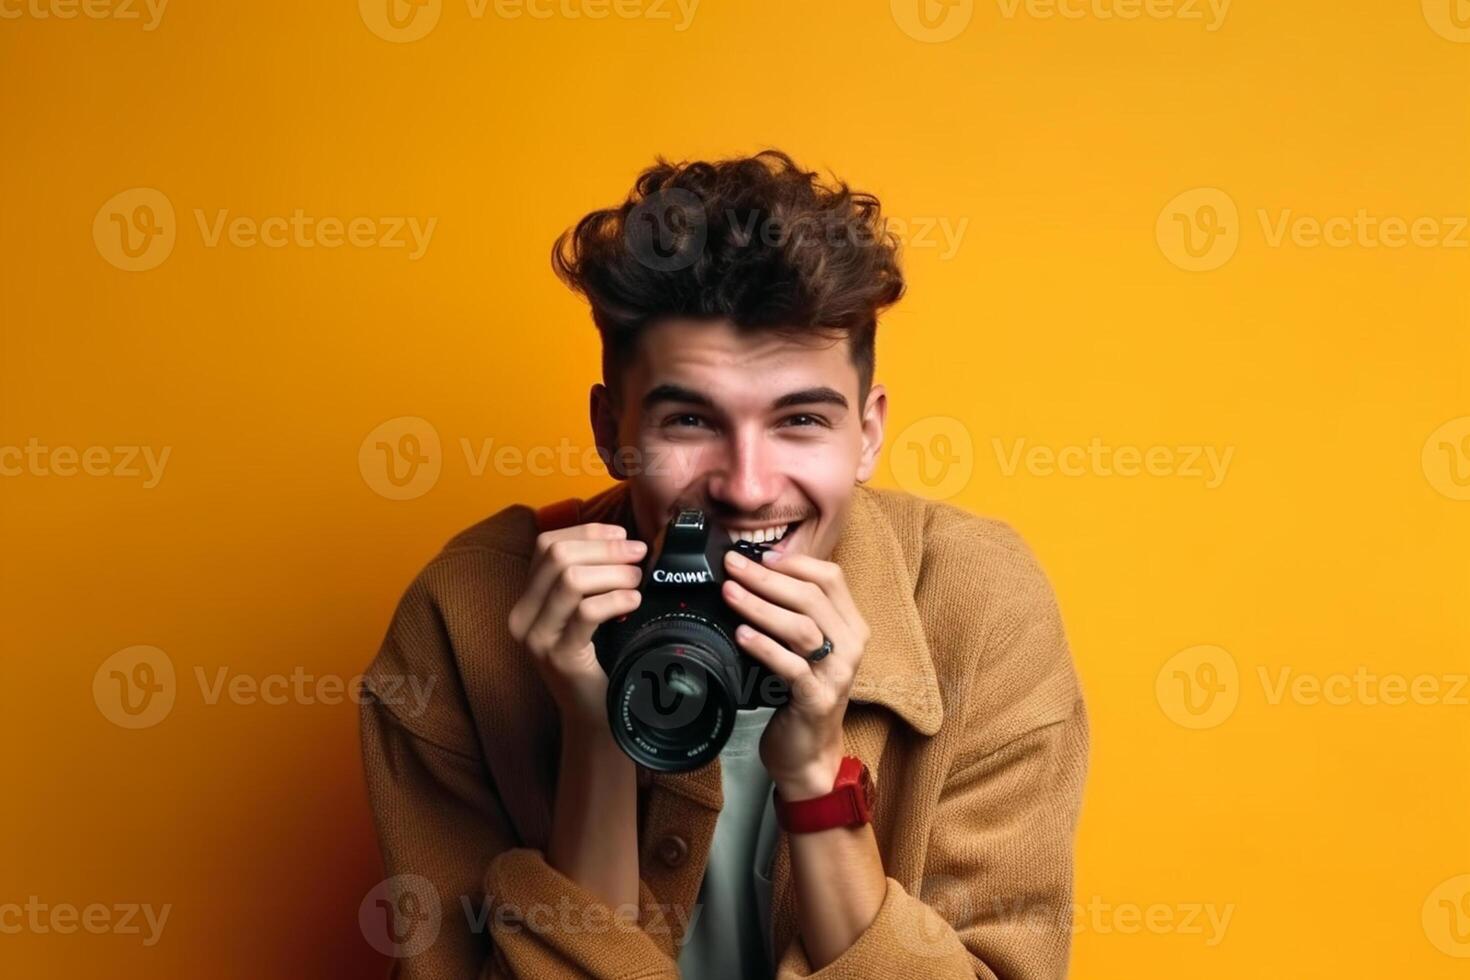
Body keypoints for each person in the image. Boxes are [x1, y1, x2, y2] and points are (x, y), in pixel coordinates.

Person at [360, 149, 1088, 978]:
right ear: (612, 431)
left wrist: (817, 780)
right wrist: (595, 739)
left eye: (801, 421)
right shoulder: (463, 617)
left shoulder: (980, 607)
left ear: (869, 432)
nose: (746, 486)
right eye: (691, 423)